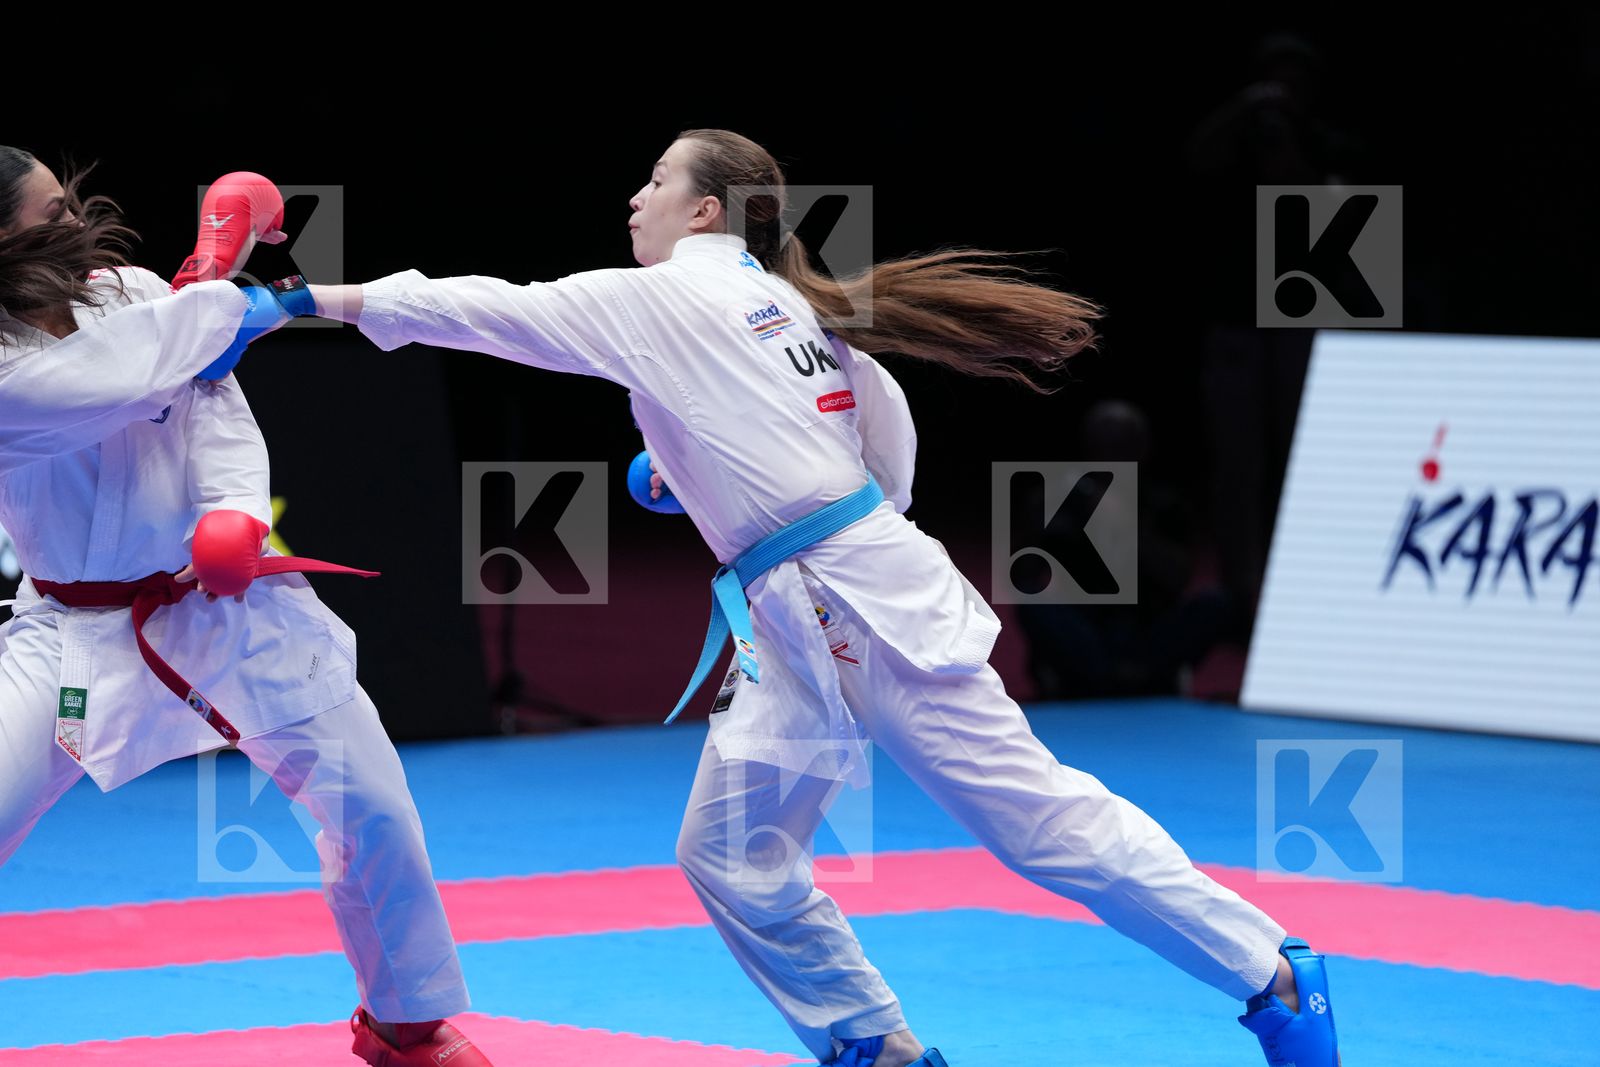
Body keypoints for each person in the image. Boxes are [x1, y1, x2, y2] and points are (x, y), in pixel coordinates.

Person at [306, 129, 1340, 1067]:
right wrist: (719, 476)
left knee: (1038, 822)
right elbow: (882, 456)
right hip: (810, 610)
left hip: (854, 603)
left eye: (658, 179)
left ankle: (1274, 970)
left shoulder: (668, 295)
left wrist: (307, 302)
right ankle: (871, 1045)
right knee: (730, 850)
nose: (637, 196)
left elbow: (482, 308)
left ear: (705, 210)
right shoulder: (796, 309)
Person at [0, 147, 493, 1067]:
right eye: (48, 211)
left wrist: (232, 511)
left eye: (70, 198)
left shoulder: (137, 290)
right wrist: (224, 295)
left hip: (225, 600)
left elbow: (212, 402)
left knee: (373, 803)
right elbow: (110, 384)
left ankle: (406, 1024)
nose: (75, 218)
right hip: (71, 629)